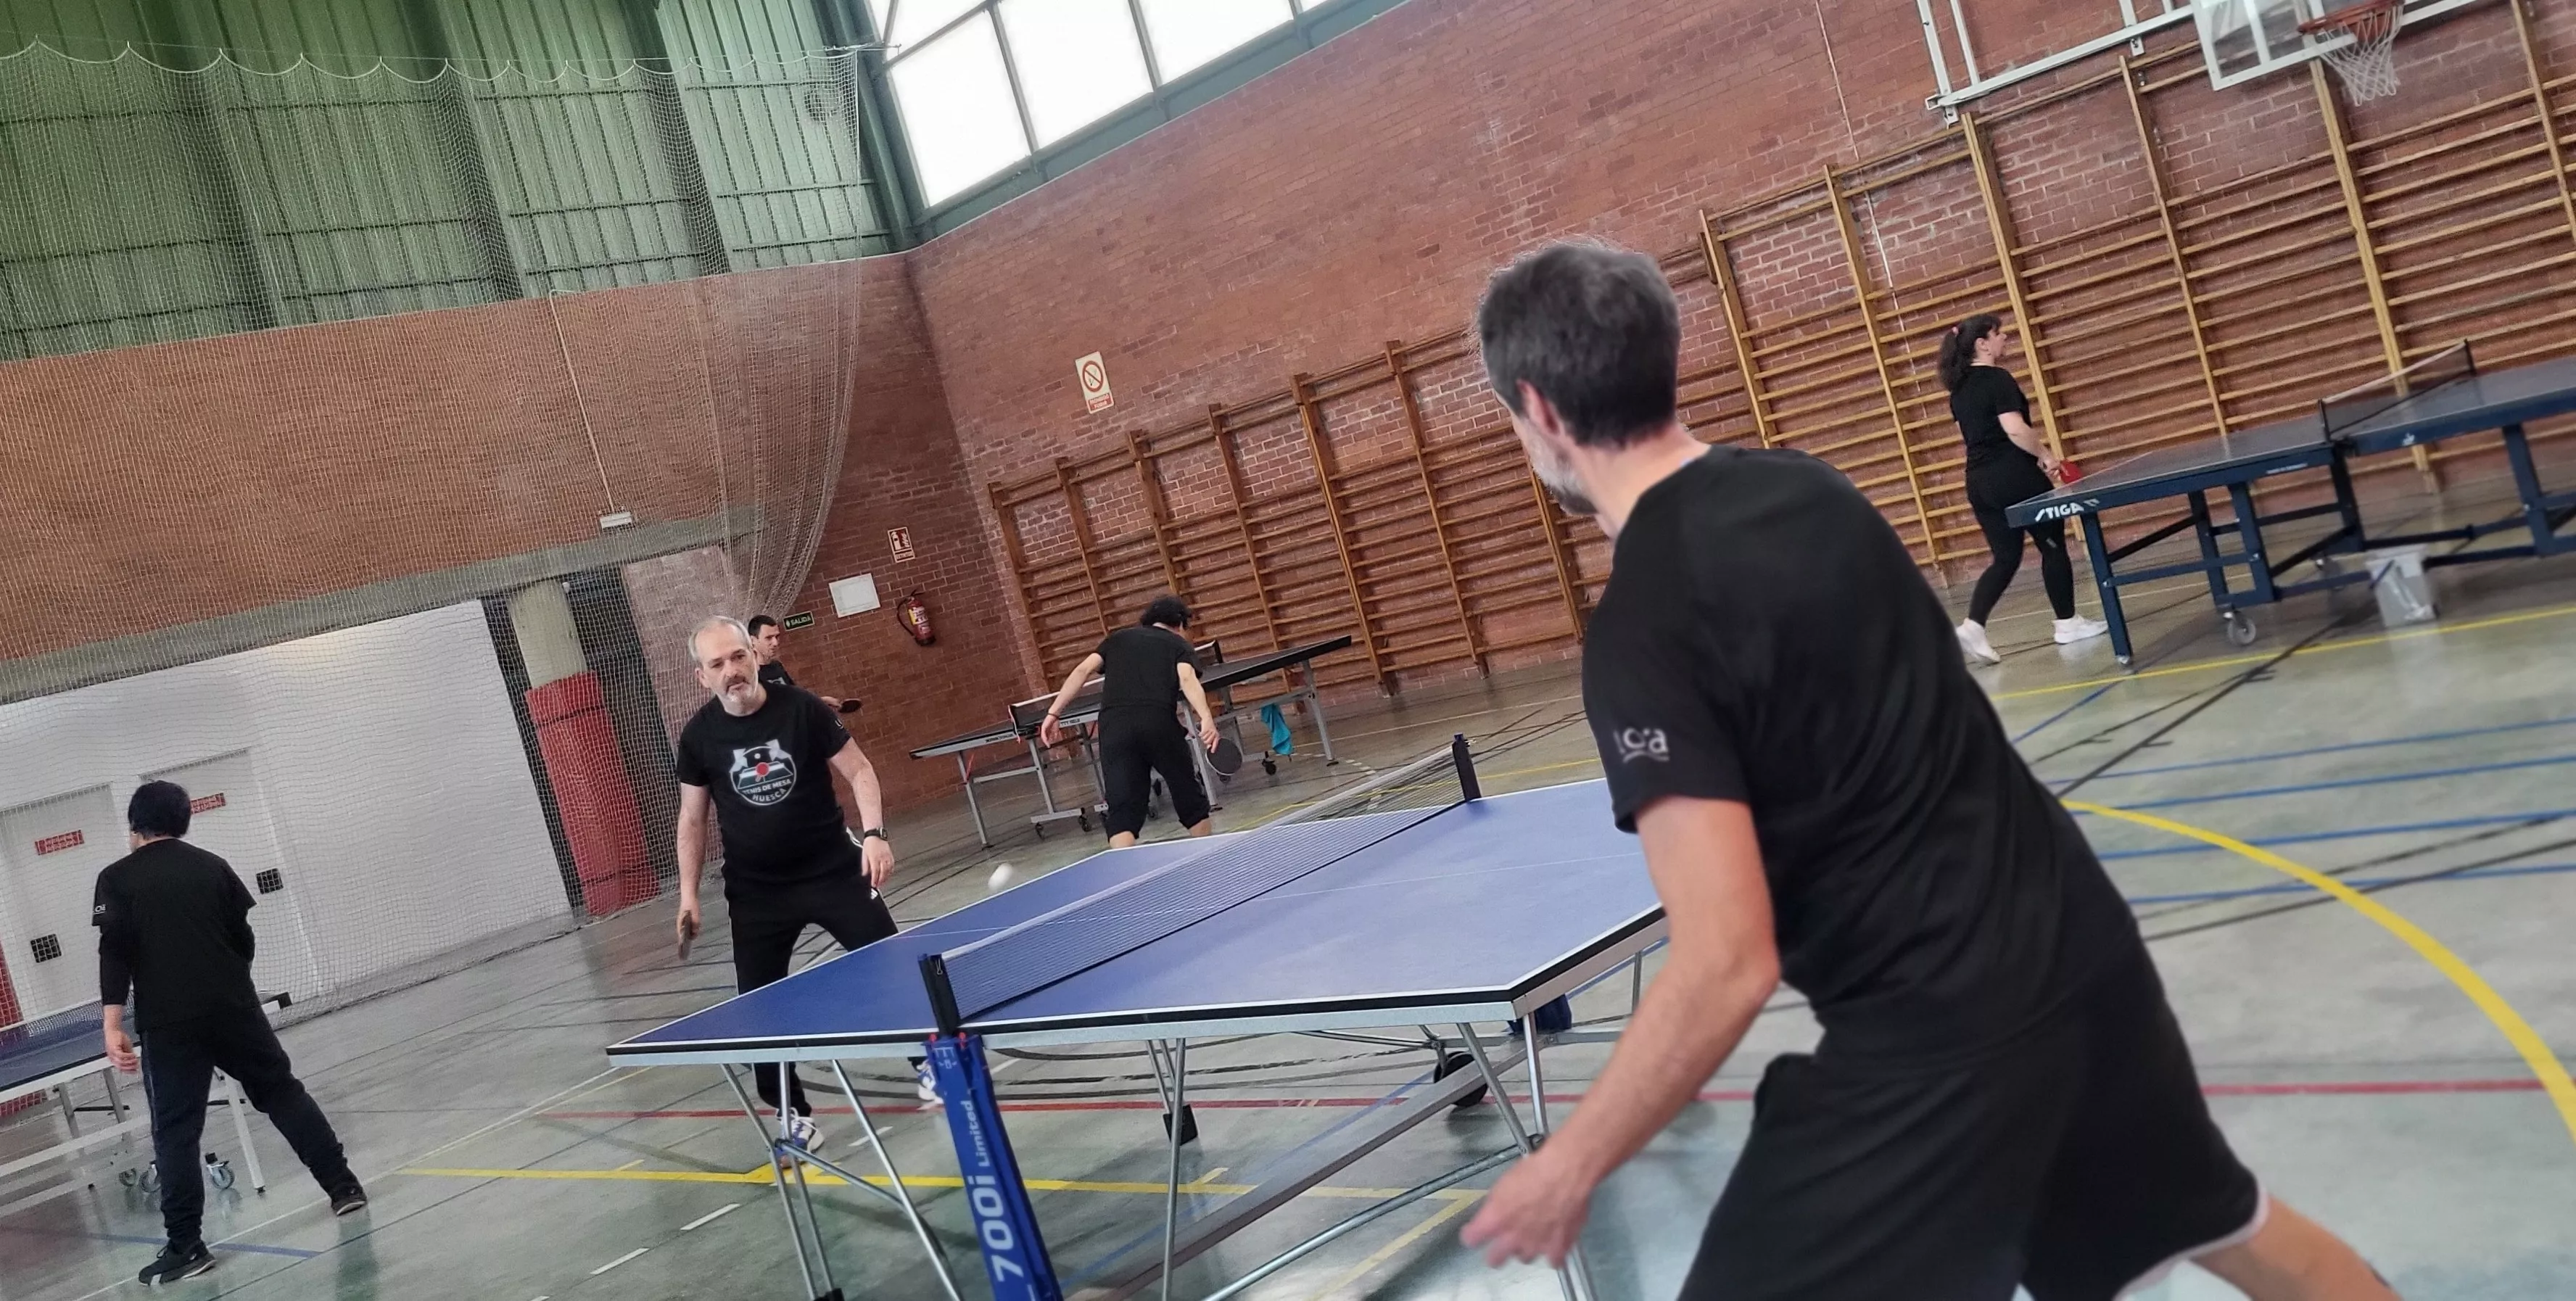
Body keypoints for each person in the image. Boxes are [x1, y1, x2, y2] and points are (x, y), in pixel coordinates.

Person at [1459, 241, 2398, 1301]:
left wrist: (1570, 1161)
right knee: (2242, 1231)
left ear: (1539, 409)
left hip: (1938, 1036)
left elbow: (1727, 958)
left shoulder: (1643, 629)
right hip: (2078, 947)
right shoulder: (1810, 488)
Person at [94, 781, 366, 1286]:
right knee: (281, 1093)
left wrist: (112, 1025)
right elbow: (243, 938)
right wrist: (230, 984)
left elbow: (115, 952)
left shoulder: (116, 879)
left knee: (176, 1131)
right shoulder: (212, 865)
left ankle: (187, 1246)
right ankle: (344, 1187)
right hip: (234, 1007)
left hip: (170, 1025)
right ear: (184, 820)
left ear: (134, 826)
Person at [672, 616, 933, 1126]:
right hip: (757, 892)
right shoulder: (699, 737)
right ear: (703, 677)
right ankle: (791, 1114)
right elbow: (693, 817)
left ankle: (934, 1064)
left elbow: (859, 770)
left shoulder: (803, 709)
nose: (732, 670)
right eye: (717, 664)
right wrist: (687, 894)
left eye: (738, 657)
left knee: (892, 969)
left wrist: (875, 834)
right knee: (761, 1005)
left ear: (753, 655)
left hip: (834, 869)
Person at [1941, 313, 2107, 663]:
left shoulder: (1958, 391)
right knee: (2052, 546)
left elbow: (1968, 438)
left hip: (1978, 482)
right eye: (1999, 334)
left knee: (2006, 557)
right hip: (2014, 476)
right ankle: (2067, 623)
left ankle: (1973, 627)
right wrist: (2046, 455)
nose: (2005, 338)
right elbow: (2014, 429)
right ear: (1982, 344)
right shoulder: (1997, 379)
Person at [1037, 595, 1221, 849]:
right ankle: (1209, 854)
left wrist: (1053, 713)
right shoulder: (1178, 645)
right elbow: (1187, 679)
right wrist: (1206, 717)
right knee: (1186, 792)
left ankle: (1124, 871)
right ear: (1179, 623)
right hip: (1157, 722)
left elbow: (1081, 671)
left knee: (1122, 808)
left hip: (1114, 728)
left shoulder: (1117, 639)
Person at [746, 614, 846, 711]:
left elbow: (795, 698)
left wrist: (821, 701)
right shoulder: (749, 675)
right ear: (752, 640)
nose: (775, 643)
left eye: (777, 637)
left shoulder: (777, 666)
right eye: (769, 638)